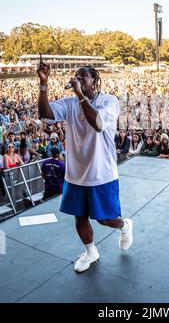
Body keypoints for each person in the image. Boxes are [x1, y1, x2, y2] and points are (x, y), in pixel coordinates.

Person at [37, 59, 133, 273]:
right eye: (77, 76)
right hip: (75, 174)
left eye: (83, 76)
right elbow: (45, 114)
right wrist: (43, 84)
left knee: (104, 219)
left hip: (102, 174)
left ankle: (124, 226)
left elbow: (98, 124)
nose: (78, 78)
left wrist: (80, 95)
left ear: (94, 81)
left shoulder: (109, 101)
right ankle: (91, 252)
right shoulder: (70, 103)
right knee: (79, 218)